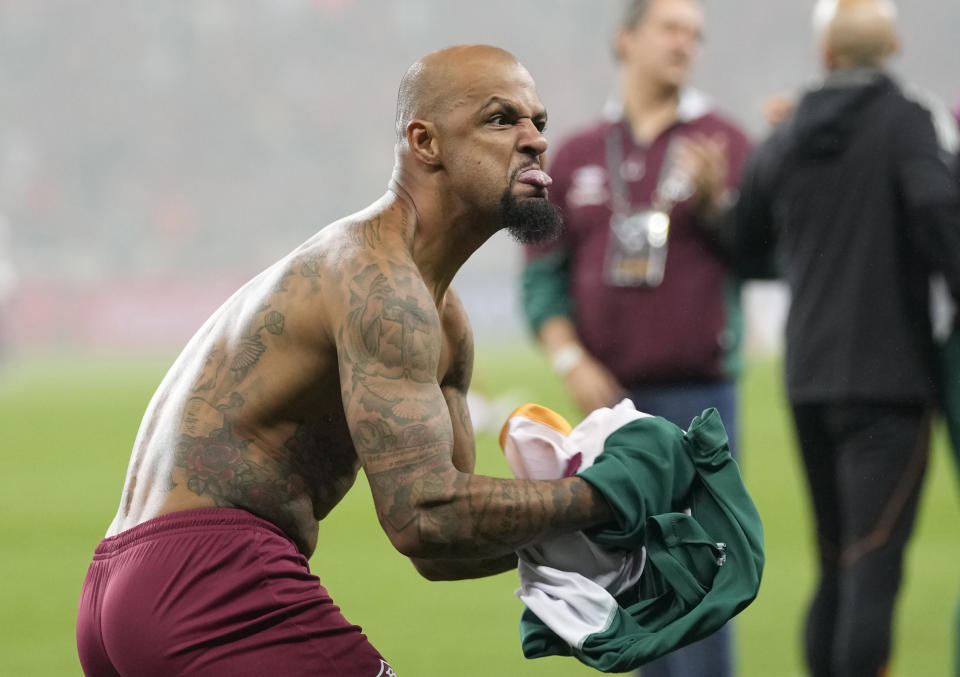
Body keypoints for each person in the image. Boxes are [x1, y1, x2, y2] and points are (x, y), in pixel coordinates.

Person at [75, 45, 628, 677]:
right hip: (211, 581)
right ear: (425, 143)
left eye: (540, 122)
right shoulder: (380, 282)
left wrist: (604, 528)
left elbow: (444, 551)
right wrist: (607, 496)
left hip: (122, 589)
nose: (534, 141)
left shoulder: (439, 316)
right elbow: (425, 516)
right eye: (502, 120)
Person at [726, 1, 960, 675]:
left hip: (808, 375)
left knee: (833, 563)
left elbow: (744, 236)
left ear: (826, 56)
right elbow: (937, 207)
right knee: (873, 565)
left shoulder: (790, 129)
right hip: (890, 379)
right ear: (893, 49)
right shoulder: (905, 122)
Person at [520, 1, 750, 675]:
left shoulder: (725, 143)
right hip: (609, 407)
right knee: (627, 577)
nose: (687, 43)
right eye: (672, 29)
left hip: (699, 402)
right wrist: (569, 355)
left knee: (705, 570)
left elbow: (768, 254)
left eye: (696, 35)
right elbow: (541, 276)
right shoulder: (578, 153)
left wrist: (717, 206)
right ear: (626, 39)